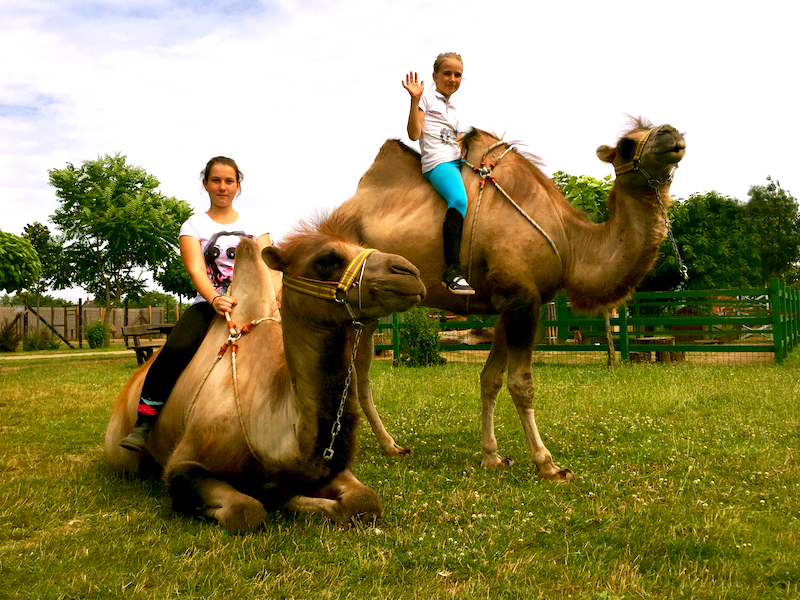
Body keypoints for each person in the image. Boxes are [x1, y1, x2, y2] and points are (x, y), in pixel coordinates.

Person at [120, 156, 281, 452]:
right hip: (210, 304)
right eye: (216, 180)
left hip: (258, 305)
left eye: (229, 181)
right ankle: (143, 424)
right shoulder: (194, 225)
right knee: (176, 349)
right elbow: (196, 271)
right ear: (205, 184)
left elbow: (270, 265)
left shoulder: (255, 224)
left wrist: (275, 299)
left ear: (238, 186)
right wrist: (216, 298)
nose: (223, 187)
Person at [402, 51, 475, 295]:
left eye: (458, 75)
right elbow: (414, 134)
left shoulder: (454, 110)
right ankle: (452, 272)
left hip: (457, 162)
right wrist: (414, 100)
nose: (453, 79)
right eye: (447, 73)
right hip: (439, 163)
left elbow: (459, 143)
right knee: (459, 200)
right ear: (435, 76)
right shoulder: (426, 99)